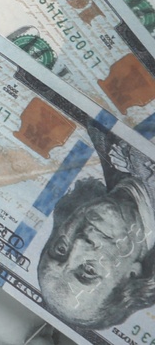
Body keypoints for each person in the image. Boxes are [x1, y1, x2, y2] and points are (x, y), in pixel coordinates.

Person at [38, 128, 155, 329]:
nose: (79, 244)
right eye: (89, 270)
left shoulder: (101, 134)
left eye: (60, 249)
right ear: (133, 276)